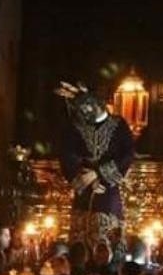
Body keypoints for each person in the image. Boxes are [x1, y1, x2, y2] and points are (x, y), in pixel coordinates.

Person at [56, 82, 134, 251]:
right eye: (81, 109)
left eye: (86, 107)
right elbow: (67, 154)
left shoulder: (119, 125)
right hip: (84, 190)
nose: (83, 112)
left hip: (108, 191)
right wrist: (86, 178)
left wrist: (99, 174)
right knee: (81, 242)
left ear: (97, 104)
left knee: (108, 240)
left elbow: (127, 156)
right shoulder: (75, 127)